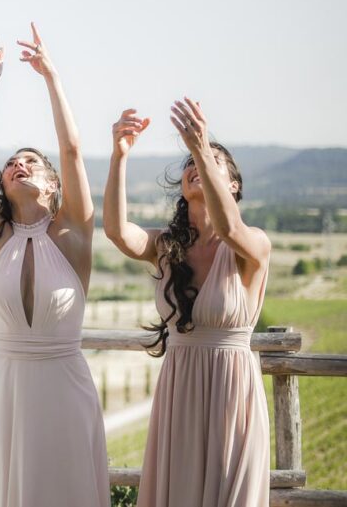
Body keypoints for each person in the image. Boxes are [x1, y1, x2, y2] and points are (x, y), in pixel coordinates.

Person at [0, 25, 108, 507]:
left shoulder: (74, 235)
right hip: (9, 393)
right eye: (12, 163)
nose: (19, 165)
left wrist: (51, 76)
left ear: (53, 185)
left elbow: (72, 150)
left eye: (31, 161)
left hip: (66, 391)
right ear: (2, 187)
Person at [103, 101, 271, 507]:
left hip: (232, 394)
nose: (196, 164)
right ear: (182, 186)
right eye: (191, 162)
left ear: (233, 186)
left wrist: (199, 145)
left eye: (212, 161)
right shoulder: (165, 246)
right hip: (179, 391)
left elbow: (228, 227)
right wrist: (119, 156)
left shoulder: (252, 244)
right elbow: (117, 232)